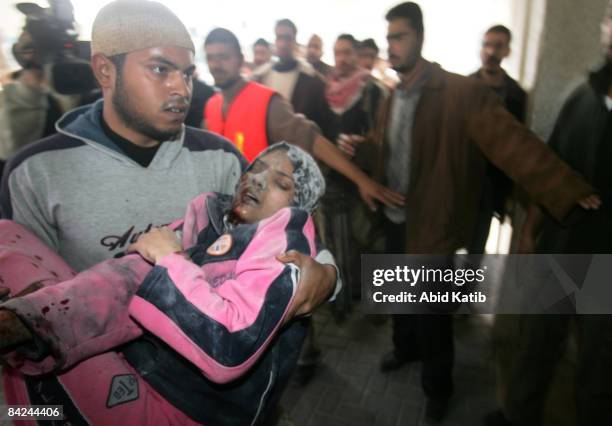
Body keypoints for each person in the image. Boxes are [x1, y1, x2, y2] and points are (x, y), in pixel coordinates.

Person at [0, 0, 341, 417]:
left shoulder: (220, 159)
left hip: (198, 396)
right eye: (161, 70)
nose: (182, 88)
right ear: (106, 70)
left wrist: (329, 276)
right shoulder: (35, 172)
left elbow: (287, 234)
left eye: (187, 73)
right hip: (93, 377)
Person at [337, 3, 600, 423]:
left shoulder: (458, 92)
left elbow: (512, 142)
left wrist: (563, 186)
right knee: (398, 299)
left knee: (434, 317)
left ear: (420, 38)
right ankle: (405, 350)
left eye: (399, 37)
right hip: (394, 218)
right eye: (388, 39)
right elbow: (388, 147)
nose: (392, 46)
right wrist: (364, 148)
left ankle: (437, 388)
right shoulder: (393, 95)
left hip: (434, 226)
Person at [0, 143, 331, 425]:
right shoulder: (212, 218)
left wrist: (170, 259)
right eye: (255, 168)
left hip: (187, 410)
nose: (256, 180)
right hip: (141, 368)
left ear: (299, 207)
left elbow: (227, 350)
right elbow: (126, 275)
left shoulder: (283, 250)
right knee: (7, 236)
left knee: (31, 380)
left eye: (281, 183)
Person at [485, 3, 612, 426]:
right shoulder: (583, 97)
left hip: (606, 266)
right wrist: (529, 233)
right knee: (536, 346)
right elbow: (550, 168)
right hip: (561, 248)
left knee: (598, 372)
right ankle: (517, 416)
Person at [203, 28, 403, 212]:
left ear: (240, 59)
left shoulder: (265, 101)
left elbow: (314, 141)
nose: (216, 65)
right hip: (228, 215)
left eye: (223, 57)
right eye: (211, 58)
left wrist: (361, 180)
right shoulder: (212, 105)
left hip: (264, 220)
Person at [322, 33, 387, 310]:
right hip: (334, 176)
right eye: (338, 53)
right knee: (339, 241)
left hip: (362, 177)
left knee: (366, 238)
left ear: (356, 54)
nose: (343, 59)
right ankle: (345, 298)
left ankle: (371, 295)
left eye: (347, 52)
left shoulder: (371, 88)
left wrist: (367, 142)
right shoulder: (328, 88)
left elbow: (381, 132)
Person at [467, 25, 528, 258]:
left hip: (491, 184)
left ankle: (464, 293)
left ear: (507, 51)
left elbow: (518, 146)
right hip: (462, 177)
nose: (491, 51)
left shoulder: (516, 96)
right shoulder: (464, 87)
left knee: (476, 248)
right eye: (487, 44)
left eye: (498, 46)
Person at [253, 19, 337, 141]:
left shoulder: (312, 81)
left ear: (295, 41)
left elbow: (324, 124)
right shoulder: (261, 77)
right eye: (279, 38)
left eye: (288, 38)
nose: (283, 44)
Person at [0, 30, 64, 162]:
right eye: (28, 49)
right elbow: (10, 150)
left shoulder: (71, 87)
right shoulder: (13, 96)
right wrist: (30, 90)